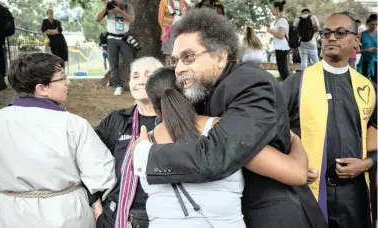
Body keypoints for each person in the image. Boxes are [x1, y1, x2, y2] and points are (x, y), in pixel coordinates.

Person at [132, 9, 326, 228]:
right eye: (175, 61)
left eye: (188, 57)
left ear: (221, 57)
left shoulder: (250, 82)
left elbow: (219, 154)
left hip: (272, 215)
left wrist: (146, 156)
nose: (178, 69)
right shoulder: (202, 90)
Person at [139, 66, 310, 227]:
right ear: (191, 93)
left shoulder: (142, 144)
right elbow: (298, 173)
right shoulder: (219, 130)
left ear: (154, 108)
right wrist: (295, 140)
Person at [0, 52, 116, 228]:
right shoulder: (72, 124)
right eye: (62, 78)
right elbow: (102, 176)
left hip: (10, 215)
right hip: (65, 215)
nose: (67, 82)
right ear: (41, 88)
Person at [282, 12, 377, 228]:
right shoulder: (297, 82)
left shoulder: (368, 89)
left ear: (356, 40)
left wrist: (367, 163)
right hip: (308, 191)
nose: (331, 37)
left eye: (340, 32)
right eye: (326, 33)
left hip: (354, 197)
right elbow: (270, 127)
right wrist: (290, 164)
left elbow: (376, 144)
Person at [94, 57, 163, 228]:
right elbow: (88, 159)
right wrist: (96, 207)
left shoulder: (176, 120)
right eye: (135, 76)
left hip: (165, 216)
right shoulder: (117, 120)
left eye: (149, 75)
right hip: (117, 217)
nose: (141, 81)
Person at [95, 0, 135, 96]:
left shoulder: (127, 7)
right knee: (113, 63)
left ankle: (133, 84)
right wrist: (105, 8)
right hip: (111, 38)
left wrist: (120, 12)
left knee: (130, 63)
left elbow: (132, 19)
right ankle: (118, 86)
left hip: (124, 38)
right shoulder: (109, 7)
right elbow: (97, 19)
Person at [158, 0, 188, 65]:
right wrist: (166, 28)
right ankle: (168, 71)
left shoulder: (184, 3)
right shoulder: (164, 1)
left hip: (181, 30)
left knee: (180, 52)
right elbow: (160, 18)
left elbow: (186, 17)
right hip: (170, 30)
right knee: (169, 53)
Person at [266, 1, 290, 81]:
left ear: (276, 9)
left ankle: (288, 85)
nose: (271, 10)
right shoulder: (278, 20)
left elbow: (281, 35)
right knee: (282, 68)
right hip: (279, 47)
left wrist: (270, 31)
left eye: (272, 8)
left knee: (283, 69)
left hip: (282, 47)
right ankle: (287, 84)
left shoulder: (282, 20)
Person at [357, 13, 377, 84]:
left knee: (376, 84)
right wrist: (367, 50)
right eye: (372, 24)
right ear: (368, 23)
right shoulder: (361, 34)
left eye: (376, 24)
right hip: (365, 62)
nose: (374, 26)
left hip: (376, 62)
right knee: (364, 83)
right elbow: (357, 50)